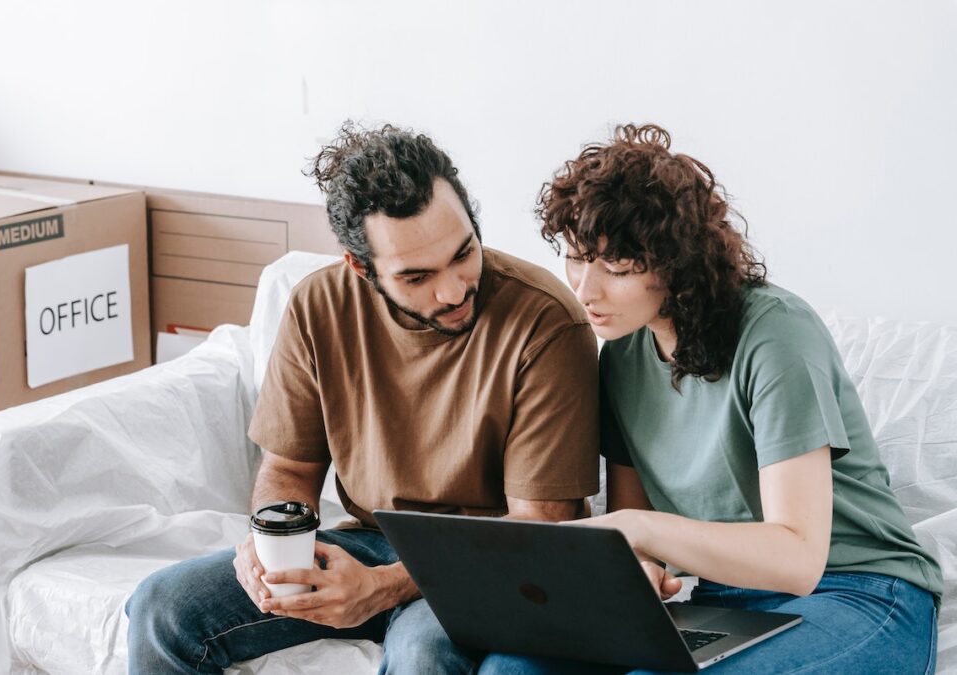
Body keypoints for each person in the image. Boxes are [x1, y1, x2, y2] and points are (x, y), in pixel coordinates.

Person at [124, 122, 604, 674]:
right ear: (360, 267)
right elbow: (287, 468)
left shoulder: (544, 321)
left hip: (490, 565)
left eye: (463, 252)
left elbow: (540, 526)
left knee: (423, 654)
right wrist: (273, 546)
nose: (452, 290)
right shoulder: (319, 306)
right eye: (417, 276)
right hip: (371, 542)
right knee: (162, 610)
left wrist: (382, 587)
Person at [481, 124, 943, 674]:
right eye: (577, 259)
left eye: (619, 269)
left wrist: (643, 533)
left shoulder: (776, 336)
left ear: (678, 267)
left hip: (857, 592)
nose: (585, 292)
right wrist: (638, 569)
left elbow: (798, 559)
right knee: (511, 668)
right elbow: (636, 527)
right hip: (725, 602)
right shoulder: (623, 354)